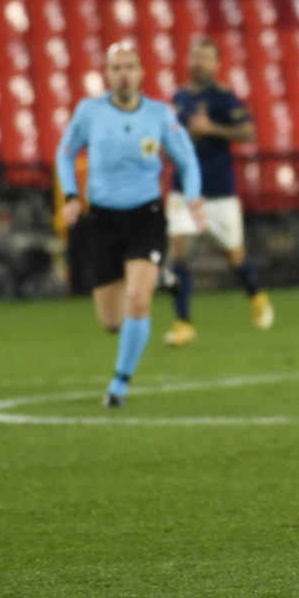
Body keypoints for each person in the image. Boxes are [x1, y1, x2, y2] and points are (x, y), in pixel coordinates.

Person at [56, 41, 204, 408]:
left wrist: (194, 198)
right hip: (103, 221)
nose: (123, 74)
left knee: (138, 301)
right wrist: (72, 196)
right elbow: (65, 152)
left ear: (142, 73)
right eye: (116, 68)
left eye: (130, 67)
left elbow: (186, 160)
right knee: (112, 321)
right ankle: (161, 279)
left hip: (146, 217)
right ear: (106, 74)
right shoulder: (89, 112)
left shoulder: (158, 114)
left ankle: (119, 386)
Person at [161, 36, 274, 347]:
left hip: (219, 190)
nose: (199, 62)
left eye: (206, 58)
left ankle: (255, 294)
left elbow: (248, 132)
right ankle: (183, 322)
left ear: (217, 64)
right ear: (187, 60)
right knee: (179, 251)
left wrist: (213, 130)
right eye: (195, 56)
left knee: (233, 255)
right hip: (184, 191)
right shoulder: (179, 98)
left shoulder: (226, 99)